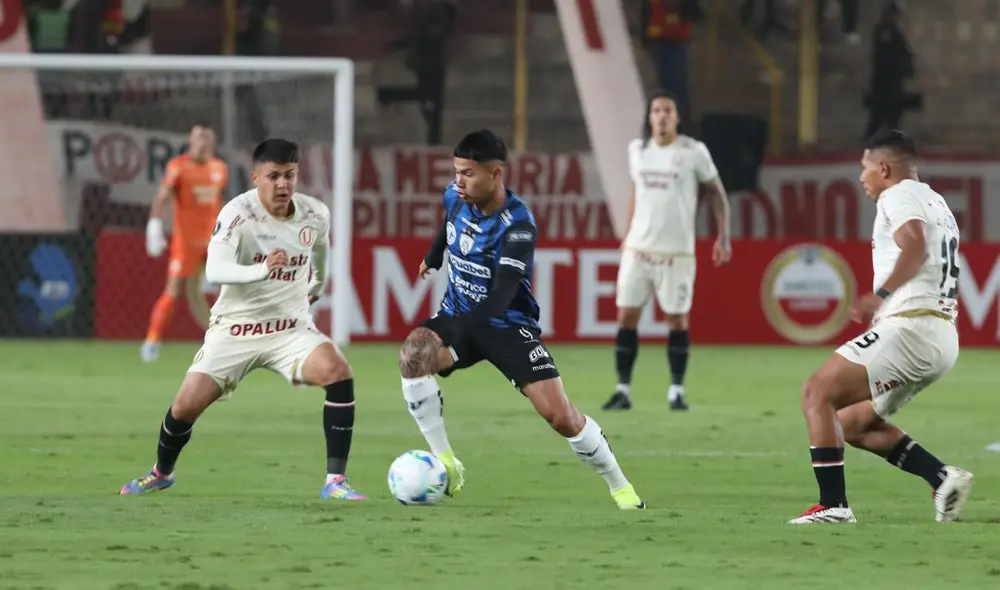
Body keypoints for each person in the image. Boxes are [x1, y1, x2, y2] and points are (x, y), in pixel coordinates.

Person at [397, 129, 645, 510]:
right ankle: (447, 462)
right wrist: (433, 256)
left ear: (496, 174)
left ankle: (621, 487)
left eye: (468, 174)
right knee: (414, 356)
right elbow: (447, 226)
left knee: (560, 417)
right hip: (458, 313)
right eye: (456, 171)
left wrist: (458, 327)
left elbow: (502, 294)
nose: (458, 181)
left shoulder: (518, 224)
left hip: (508, 326)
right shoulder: (455, 196)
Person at [121, 139, 366, 501]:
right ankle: (161, 472)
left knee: (338, 372)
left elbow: (320, 248)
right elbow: (217, 269)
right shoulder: (236, 214)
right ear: (255, 177)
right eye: (274, 176)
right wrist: (262, 270)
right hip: (235, 329)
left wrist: (320, 280)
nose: (283, 184)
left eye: (290, 175)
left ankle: (336, 481)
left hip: (289, 330)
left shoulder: (315, 213)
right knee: (185, 406)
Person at [790, 129, 972, 524]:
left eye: (865, 167)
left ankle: (833, 506)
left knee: (817, 391)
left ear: (884, 168)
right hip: (940, 335)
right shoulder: (936, 201)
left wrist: (883, 293)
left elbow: (916, 245)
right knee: (854, 424)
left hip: (912, 327)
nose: (861, 177)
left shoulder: (898, 195)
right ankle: (941, 478)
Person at [602, 91, 731, 412]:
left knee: (676, 319)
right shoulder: (638, 150)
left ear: (677, 117)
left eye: (668, 111)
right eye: (656, 110)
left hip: (677, 254)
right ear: (649, 117)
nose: (661, 116)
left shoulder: (692, 152)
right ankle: (623, 390)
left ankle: (676, 391)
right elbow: (636, 189)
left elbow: (717, 192)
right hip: (638, 248)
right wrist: (627, 230)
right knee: (626, 316)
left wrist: (723, 236)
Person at [142, 123, 228, 362]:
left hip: (212, 241)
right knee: (174, 292)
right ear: (191, 140)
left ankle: (224, 341)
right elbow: (163, 197)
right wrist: (154, 225)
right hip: (186, 242)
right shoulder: (178, 167)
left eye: (207, 137)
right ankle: (152, 340)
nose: (203, 141)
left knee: (227, 291)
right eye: (199, 136)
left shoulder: (220, 169)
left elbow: (216, 204)